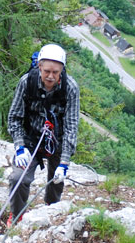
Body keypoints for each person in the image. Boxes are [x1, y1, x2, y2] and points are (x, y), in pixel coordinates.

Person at [6, 43, 80, 227]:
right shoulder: (27, 82)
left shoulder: (70, 88)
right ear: (39, 66)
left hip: (57, 140)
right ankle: (16, 215)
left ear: (62, 70)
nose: (50, 76)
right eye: (47, 70)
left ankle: (51, 207)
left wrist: (64, 163)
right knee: (17, 178)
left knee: (56, 180)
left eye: (56, 72)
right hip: (31, 138)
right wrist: (20, 146)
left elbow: (71, 125)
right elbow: (14, 117)